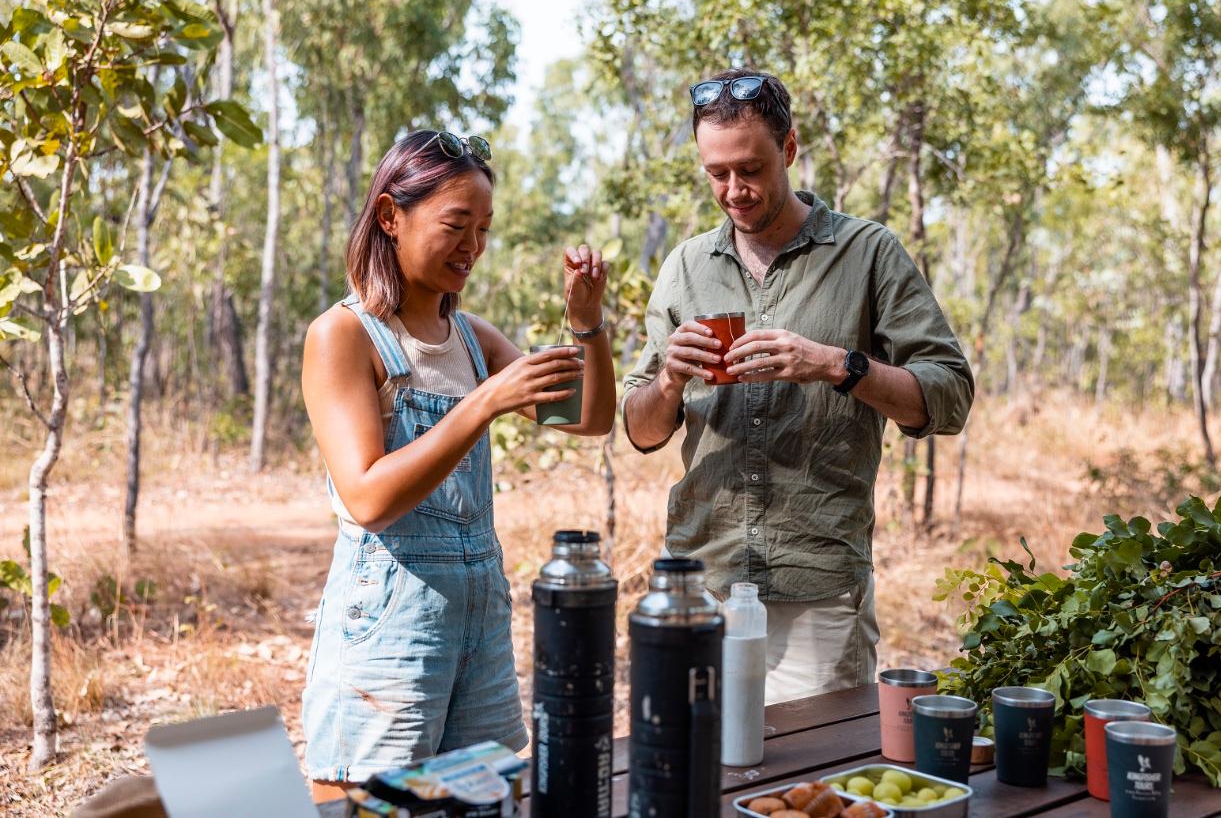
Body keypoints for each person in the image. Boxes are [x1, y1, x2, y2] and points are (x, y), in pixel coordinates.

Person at [622, 70, 973, 705]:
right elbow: (642, 431)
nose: (734, 190)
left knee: (808, 791)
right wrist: (670, 377)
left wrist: (838, 365)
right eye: (716, 174)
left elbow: (948, 397)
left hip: (817, 590)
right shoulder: (684, 269)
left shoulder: (868, 254)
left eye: (750, 168)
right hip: (699, 585)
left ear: (788, 149)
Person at [300, 129, 614, 795]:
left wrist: (587, 322)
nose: (473, 248)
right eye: (456, 225)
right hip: (387, 640)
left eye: (485, 229)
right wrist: (484, 403)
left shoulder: (473, 340)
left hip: (482, 629)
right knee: (380, 806)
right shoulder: (344, 337)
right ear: (390, 216)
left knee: (489, 798)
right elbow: (368, 499)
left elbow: (588, 417)